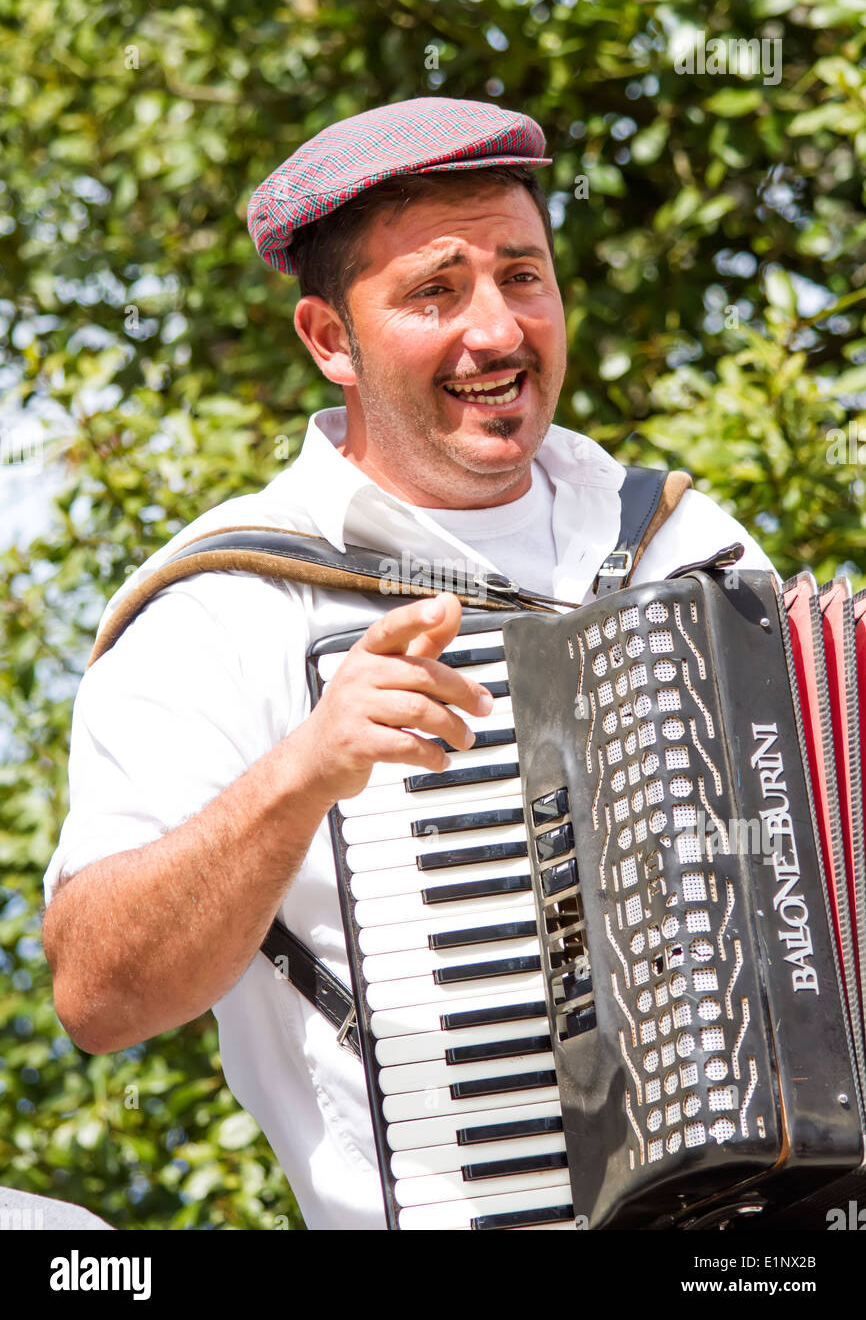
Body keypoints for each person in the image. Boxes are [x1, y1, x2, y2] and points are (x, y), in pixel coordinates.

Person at [42, 97, 775, 1230]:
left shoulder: (684, 542)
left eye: (520, 275)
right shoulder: (227, 602)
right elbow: (99, 994)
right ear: (328, 339)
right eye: (434, 291)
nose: (495, 330)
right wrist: (303, 771)